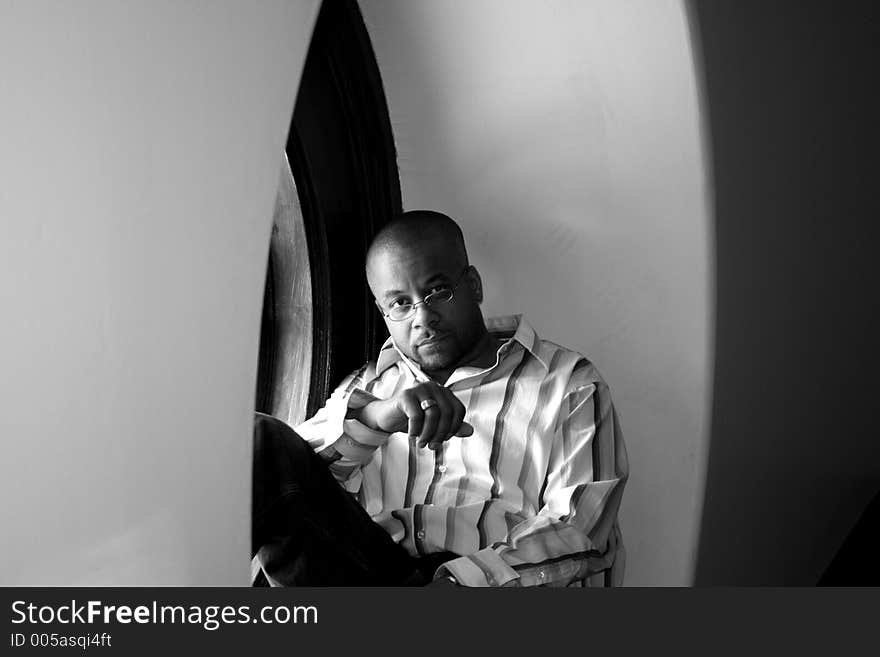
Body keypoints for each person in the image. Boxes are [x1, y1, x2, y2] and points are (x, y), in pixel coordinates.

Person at [252, 210, 628, 587]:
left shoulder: (569, 383)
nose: (422, 317)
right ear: (384, 313)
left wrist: (454, 587)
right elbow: (292, 489)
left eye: (437, 291)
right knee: (261, 438)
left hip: (485, 591)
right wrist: (375, 421)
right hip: (374, 574)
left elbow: (580, 529)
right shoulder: (369, 387)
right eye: (400, 303)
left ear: (474, 286)